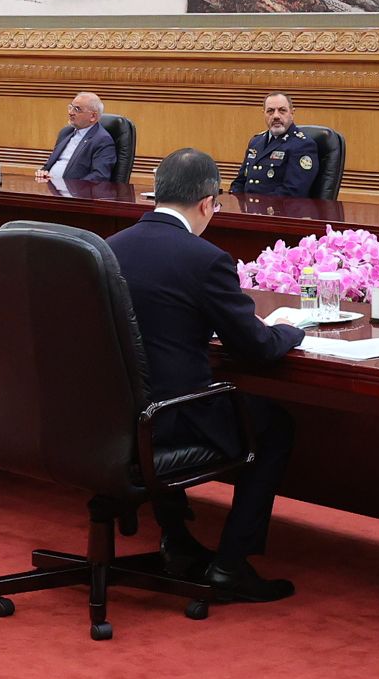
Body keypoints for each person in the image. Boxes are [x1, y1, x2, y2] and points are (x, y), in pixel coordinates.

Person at [105, 148, 305, 604]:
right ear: (206, 203)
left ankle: (176, 539)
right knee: (273, 425)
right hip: (174, 417)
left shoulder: (109, 248)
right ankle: (231, 563)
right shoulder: (205, 259)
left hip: (113, 417)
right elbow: (255, 347)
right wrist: (290, 332)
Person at [233, 92, 323, 198]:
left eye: (282, 110)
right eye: (270, 111)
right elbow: (239, 182)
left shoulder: (303, 145)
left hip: (279, 211)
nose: (276, 116)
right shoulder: (255, 142)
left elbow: (293, 192)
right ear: (264, 114)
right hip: (248, 210)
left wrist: (257, 208)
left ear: (292, 113)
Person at [40, 91, 121, 193]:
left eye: (77, 109)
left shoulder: (102, 140)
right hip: (52, 191)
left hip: (76, 195)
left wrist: (66, 186)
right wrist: (42, 171)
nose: (71, 112)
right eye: (71, 107)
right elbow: (49, 165)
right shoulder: (65, 132)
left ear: (93, 116)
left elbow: (99, 176)